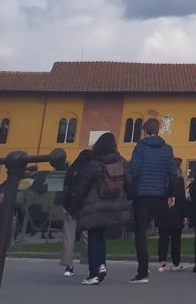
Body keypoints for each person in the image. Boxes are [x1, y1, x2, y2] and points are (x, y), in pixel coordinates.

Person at [72, 132, 129, 284]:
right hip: (114, 205)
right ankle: (101, 265)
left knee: (93, 236)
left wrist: (74, 203)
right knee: (101, 236)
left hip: (94, 205)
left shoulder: (94, 163)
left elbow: (83, 185)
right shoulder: (121, 162)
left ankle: (93, 273)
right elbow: (129, 182)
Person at [126, 117, 177, 283]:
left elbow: (133, 169)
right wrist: (172, 193)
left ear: (145, 130)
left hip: (142, 195)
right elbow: (172, 173)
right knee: (160, 231)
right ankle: (156, 262)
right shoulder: (167, 149)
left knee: (141, 234)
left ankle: (143, 272)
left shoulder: (140, 147)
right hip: (159, 194)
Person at [59, 147, 92, 276]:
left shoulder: (71, 171)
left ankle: (68, 266)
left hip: (68, 206)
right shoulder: (87, 172)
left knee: (69, 236)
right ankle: (92, 261)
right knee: (87, 235)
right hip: (83, 206)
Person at [157, 156, 187, 271]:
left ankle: (161, 262)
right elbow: (182, 198)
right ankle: (176, 263)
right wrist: (185, 214)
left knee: (163, 239)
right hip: (176, 213)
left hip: (163, 212)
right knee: (176, 240)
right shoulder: (179, 180)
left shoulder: (162, 180)